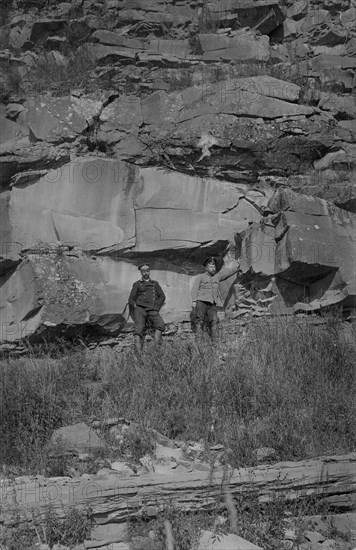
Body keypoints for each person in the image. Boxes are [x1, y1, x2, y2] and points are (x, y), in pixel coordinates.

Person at [191, 256, 240, 343]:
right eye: (210, 266)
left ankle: (215, 342)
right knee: (199, 322)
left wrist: (237, 267)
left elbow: (227, 273)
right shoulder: (201, 277)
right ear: (206, 268)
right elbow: (194, 289)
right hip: (201, 302)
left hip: (212, 303)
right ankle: (198, 342)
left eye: (214, 266)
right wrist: (194, 301)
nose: (213, 268)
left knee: (215, 321)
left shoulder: (217, 277)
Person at [128, 263, 166, 352]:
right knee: (139, 329)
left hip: (152, 309)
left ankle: (155, 348)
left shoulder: (155, 283)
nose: (145, 273)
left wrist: (156, 307)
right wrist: (135, 306)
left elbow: (162, 296)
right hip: (140, 309)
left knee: (161, 325)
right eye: (143, 271)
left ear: (149, 272)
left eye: (147, 271)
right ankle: (139, 354)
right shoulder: (137, 284)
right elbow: (131, 299)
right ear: (141, 272)